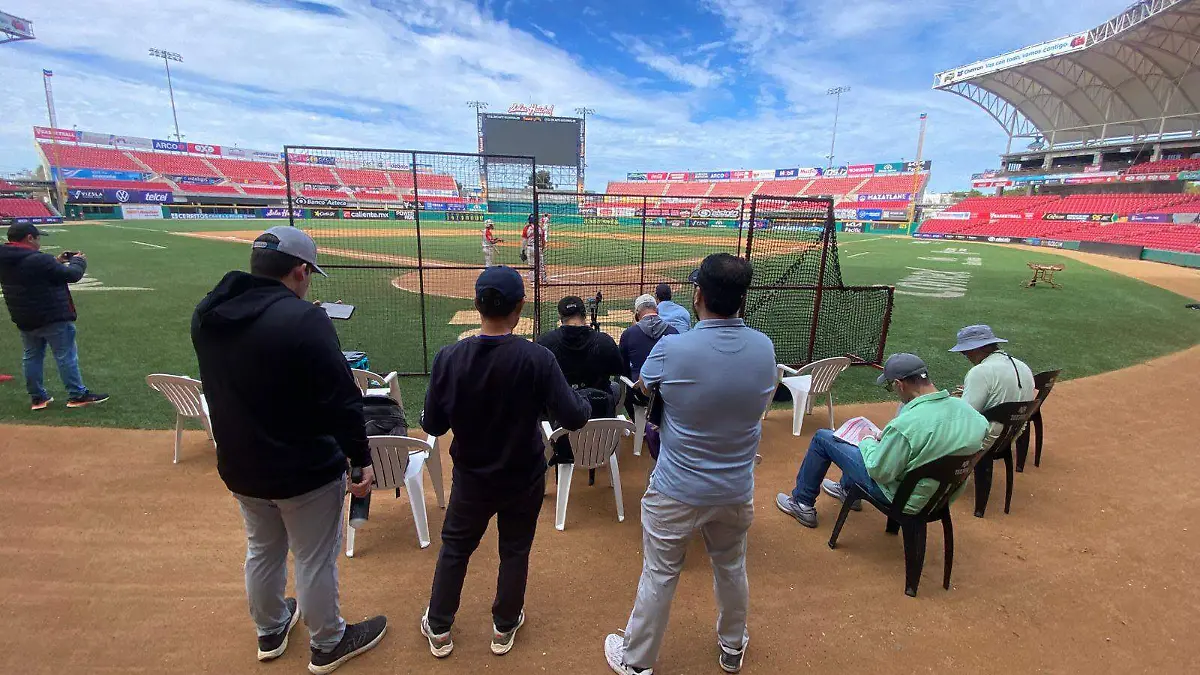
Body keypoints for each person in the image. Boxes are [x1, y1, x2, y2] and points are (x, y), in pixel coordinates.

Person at [192, 226, 387, 674]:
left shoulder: (208, 313)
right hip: (304, 467)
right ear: (299, 271)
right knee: (315, 558)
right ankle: (329, 642)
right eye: (308, 273)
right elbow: (342, 401)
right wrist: (361, 459)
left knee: (263, 549)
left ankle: (271, 628)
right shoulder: (305, 320)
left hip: (241, 463)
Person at [605, 253, 777, 675]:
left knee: (660, 573)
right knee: (731, 567)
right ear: (741, 299)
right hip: (736, 487)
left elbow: (645, 386)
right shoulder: (764, 346)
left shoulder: (673, 346)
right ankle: (732, 646)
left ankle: (637, 660)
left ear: (698, 294)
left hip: (676, 488)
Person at [420, 266, 591, 658]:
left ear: (477, 304)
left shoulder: (450, 357)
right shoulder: (538, 358)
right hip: (523, 475)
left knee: (455, 549)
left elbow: (432, 423)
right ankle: (503, 626)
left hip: (472, 478)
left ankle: (441, 627)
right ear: (519, 308)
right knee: (514, 550)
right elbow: (575, 417)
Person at [775, 353, 989, 529]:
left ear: (899, 384)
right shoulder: (973, 416)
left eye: (891, 387)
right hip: (940, 498)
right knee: (873, 445)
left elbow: (879, 471)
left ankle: (802, 503)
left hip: (903, 497)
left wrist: (867, 440)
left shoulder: (906, 426)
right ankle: (847, 490)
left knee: (825, 438)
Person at [0, 222, 108, 410]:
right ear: (29, 238)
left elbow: (32, 274)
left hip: (24, 316)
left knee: (31, 357)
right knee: (66, 356)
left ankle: (38, 398)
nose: (39, 242)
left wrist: (56, 262)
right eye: (37, 238)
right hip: (51, 315)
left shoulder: (6, 259)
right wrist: (79, 261)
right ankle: (77, 394)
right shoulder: (38, 259)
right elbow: (72, 275)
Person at [537, 295, 625, 463]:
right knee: (615, 387)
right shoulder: (604, 341)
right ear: (584, 315)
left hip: (561, 421)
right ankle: (608, 434)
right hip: (599, 415)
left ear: (560, 317)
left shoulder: (545, 342)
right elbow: (619, 369)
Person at [950, 324, 1035, 419]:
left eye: (964, 351)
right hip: (1017, 430)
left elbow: (966, 415)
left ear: (976, 349)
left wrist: (956, 402)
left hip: (990, 431)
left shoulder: (980, 372)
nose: (966, 356)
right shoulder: (1022, 366)